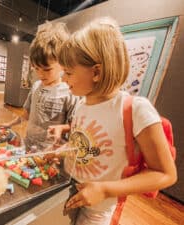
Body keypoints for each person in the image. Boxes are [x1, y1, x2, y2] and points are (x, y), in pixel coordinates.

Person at [48, 17, 177, 225]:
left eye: (69, 72)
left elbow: (165, 173)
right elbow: (88, 142)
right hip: (68, 191)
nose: (63, 78)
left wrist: (105, 189)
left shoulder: (136, 109)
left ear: (97, 72)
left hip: (99, 208)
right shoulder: (81, 104)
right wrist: (61, 149)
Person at [3, 22, 79, 151]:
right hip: (29, 145)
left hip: (50, 153)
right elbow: (27, 113)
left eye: (47, 69)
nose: (40, 74)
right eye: (36, 68)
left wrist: (62, 130)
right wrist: (10, 124)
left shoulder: (70, 92)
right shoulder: (36, 86)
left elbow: (74, 126)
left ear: (62, 64)